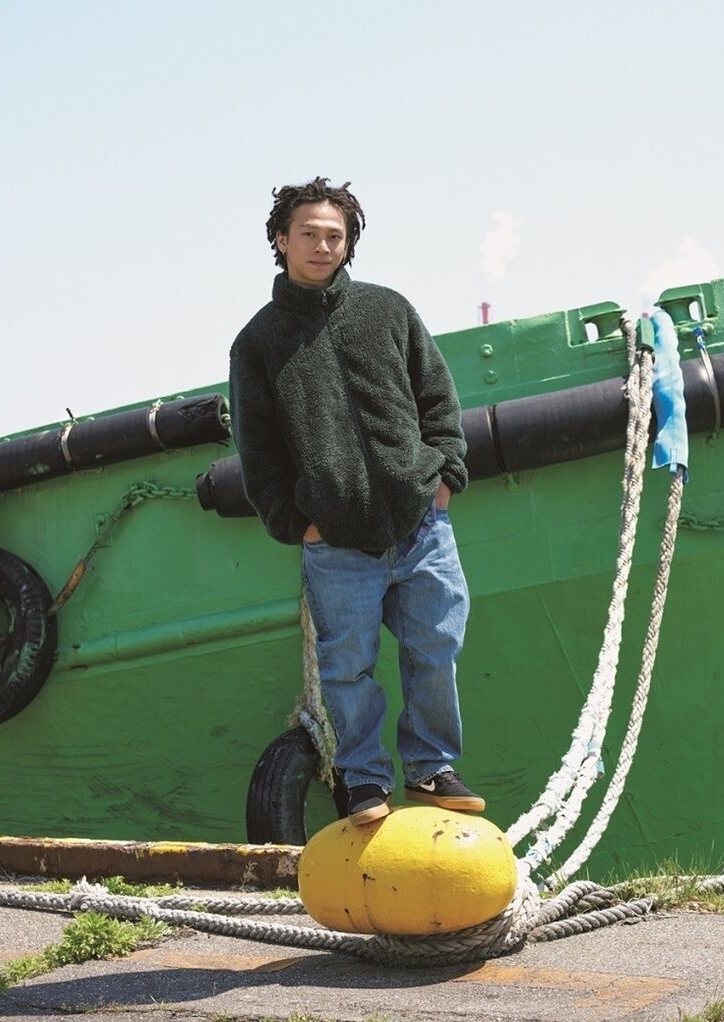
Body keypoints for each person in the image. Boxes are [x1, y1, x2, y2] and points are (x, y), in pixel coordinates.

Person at [229, 177, 483, 825]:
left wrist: (442, 477)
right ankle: (365, 780)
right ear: (281, 240)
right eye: (308, 234)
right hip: (335, 541)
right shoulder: (257, 343)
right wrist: (299, 524)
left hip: (421, 525)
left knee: (436, 647)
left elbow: (437, 398)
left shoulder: (388, 311)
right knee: (347, 669)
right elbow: (258, 451)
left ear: (349, 245)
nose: (321, 245)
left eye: (334, 236)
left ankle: (430, 769)